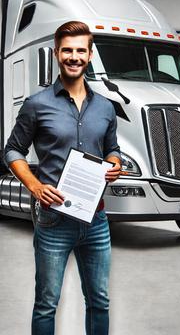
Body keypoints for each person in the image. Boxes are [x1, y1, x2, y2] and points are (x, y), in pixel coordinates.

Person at [4, 21, 122, 335]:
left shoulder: (106, 108)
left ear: (90, 54)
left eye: (80, 50)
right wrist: (35, 185)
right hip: (53, 220)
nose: (74, 56)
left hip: (96, 221)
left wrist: (114, 163)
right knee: (46, 302)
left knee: (99, 301)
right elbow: (13, 150)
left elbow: (113, 150)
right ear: (57, 53)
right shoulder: (37, 105)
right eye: (67, 50)